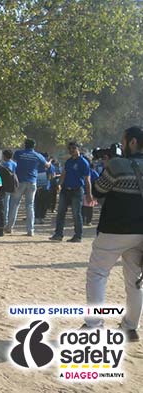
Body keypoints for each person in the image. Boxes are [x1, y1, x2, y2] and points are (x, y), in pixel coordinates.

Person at [83, 126, 143, 342]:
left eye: (124, 141)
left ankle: (94, 326)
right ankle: (130, 327)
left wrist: (108, 166)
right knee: (134, 281)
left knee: (98, 275)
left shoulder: (117, 165)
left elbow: (98, 191)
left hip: (113, 230)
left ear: (133, 142)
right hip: (140, 233)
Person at [50, 142, 93, 242]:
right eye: (70, 148)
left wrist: (89, 194)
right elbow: (63, 174)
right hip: (65, 190)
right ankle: (58, 234)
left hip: (77, 191)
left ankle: (78, 236)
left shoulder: (83, 162)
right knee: (60, 213)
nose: (71, 150)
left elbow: (87, 180)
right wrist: (59, 184)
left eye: (74, 148)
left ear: (78, 149)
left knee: (76, 214)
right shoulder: (68, 161)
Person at [7, 138, 49, 236]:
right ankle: (30, 230)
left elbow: (14, 160)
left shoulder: (19, 153)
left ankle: (9, 227)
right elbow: (47, 165)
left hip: (20, 182)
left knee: (14, 204)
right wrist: (49, 162)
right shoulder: (38, 155)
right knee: (30, 206)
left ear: (25, 145)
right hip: (32, 182)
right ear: (34, 146)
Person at [34, 153, 55, 225]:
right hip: (46, 187)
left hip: (36, 186)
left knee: (37, 202)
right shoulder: (50, 166)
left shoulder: (36, 164)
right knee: (44, 203)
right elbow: (51, 176)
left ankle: (36, 217)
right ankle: (42, 218)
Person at [82, 157, 99, 226]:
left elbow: (97, 182)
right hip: (82, 192)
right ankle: (86, 221)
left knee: (86, 207)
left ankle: (86, 221)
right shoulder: (93, 172)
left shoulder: (92, 172)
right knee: (87, 208)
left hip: (89, 192)